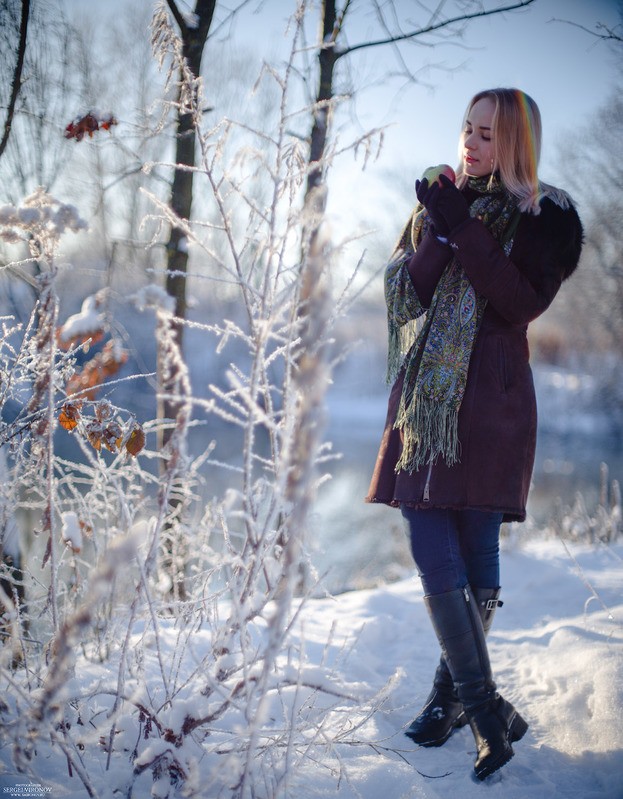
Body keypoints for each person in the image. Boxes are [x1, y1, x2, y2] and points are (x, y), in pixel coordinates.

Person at [365, 88, 583, 780]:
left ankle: (446, 701)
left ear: (515, 142)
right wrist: (437, 223)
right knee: (429, 539)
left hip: (489, 401)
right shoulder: (443, 201)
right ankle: (483, 709)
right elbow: (406, 296)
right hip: (428, 401)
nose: (470, 142)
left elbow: (517, 300)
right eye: (467, 129)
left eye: (486, 134)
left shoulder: (543, 217)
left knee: (474, 544)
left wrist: (462, 224)